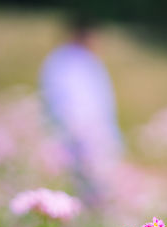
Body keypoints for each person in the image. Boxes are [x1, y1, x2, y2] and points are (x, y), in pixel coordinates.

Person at [40, 15, 124, 205]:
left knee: (96, 194)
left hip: (93, 137)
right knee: (79, 193)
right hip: (78, 139)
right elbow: (67, 106)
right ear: (83, 36)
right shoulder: (65, 62)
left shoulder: (87, 62)